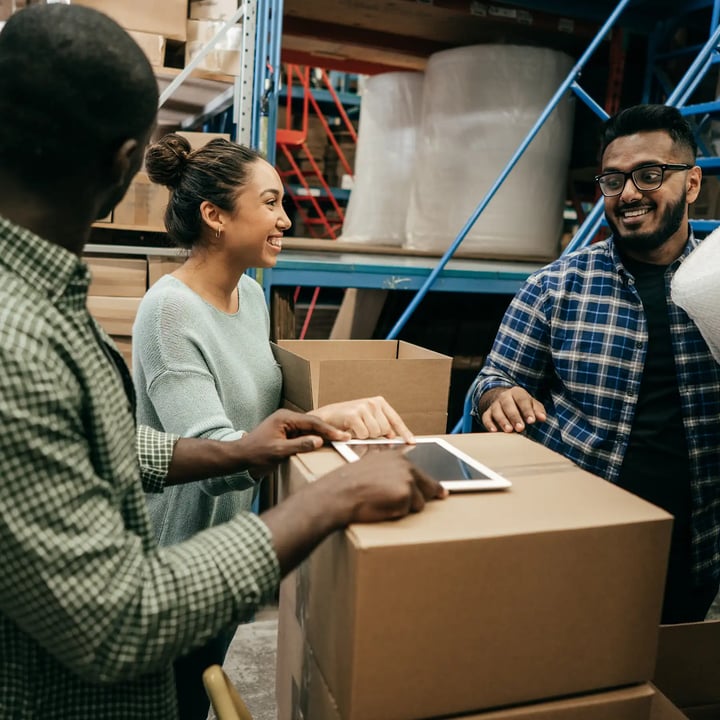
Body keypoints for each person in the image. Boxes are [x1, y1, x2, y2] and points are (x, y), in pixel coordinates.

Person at [0, 6, 447, 719]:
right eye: (269, 202)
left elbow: (102, 445)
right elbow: (120, 619)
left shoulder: (42, 302)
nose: (283, 218)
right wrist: (331, 499)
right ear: (122, 163)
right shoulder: (18, 339)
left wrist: (238, 449)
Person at [132, 133, 416, 718]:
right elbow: (215, 457)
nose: (285, 219)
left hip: (232, 548)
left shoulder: (253, 297)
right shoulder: (168, 310)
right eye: (270, 203)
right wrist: (315, 426)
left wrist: (325, 417)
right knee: (173, 704)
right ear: (214, 215)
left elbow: (257, 415)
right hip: (178, 561)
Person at [473, 104, 720, 624]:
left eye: (649, 175)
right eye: (614, 179)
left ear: (692, 184)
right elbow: (494, 378)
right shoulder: (556, 287)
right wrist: (499, 396)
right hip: (580, 539)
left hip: (694, 546)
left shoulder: (714, 286)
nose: (628, 194)